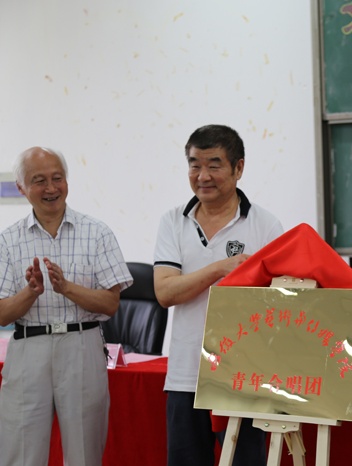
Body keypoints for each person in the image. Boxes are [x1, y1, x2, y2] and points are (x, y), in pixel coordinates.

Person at [154, 124, 283, 466]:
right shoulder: (173, 221)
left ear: (238, 168)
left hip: (243, 377)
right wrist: (219, 269)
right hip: (185, 375)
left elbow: (280, 303)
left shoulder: (265, 226)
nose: (203, 176)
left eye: (214, 165)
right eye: (194, 165)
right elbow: (165, 292)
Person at [0, 147, 132, 466]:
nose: (51, 188)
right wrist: (31, 292)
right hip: (28, 348)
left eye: (57, 178)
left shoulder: (97, 233)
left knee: (84, 454)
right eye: (39, 180)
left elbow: (111, 303)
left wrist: (66, 288)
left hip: (82, 345)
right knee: (21, 454)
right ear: (21, 187)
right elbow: (3, 313)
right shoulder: (7, 240)